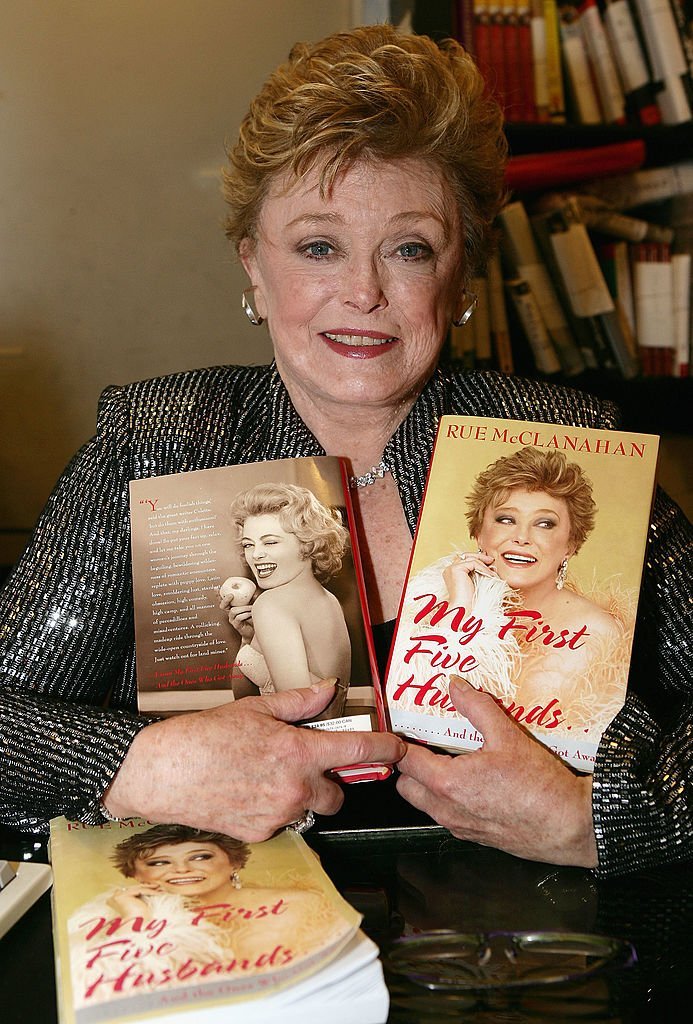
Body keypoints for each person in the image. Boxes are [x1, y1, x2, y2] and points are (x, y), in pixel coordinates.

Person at [0, 25, 690, 878]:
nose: (363, 292)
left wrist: (603, 822)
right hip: (239, 945)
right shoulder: (160, 440)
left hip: (535, 961)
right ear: (254, 266)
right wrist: (137, 766)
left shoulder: (569, 450)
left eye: (409, 249)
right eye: (318, 246)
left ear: (461, 277)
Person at [69, 824, 355, 1005]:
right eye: (159, 862)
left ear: (233, 862)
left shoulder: (301, 903)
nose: (181, 870)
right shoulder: (115, 923)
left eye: (200, 856)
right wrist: (138, 921)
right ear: (135, 874)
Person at [443, 448, 626, 720]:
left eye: (544, 524)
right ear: (479, 533)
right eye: (507, 519)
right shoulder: (435, 601)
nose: (522, 537)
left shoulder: (599, 634)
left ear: (570, 545)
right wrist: (460, 606)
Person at [221, 482, 352, 718]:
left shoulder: (272, 603)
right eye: (248, 544)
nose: (256, 554)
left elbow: (299, 711)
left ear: (307, 544)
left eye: (270, 542)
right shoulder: (328, 600)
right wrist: (249, 639)